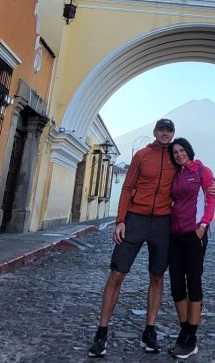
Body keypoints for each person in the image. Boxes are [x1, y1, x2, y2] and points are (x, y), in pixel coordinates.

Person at [88, 118, 178, 358]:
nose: (165, 134)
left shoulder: (176, 156)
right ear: (155, 131)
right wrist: (120, 220)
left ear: (173, 133)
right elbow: (127, 187)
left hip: (162, 223)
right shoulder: (142, 155)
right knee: (117, 274)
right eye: (161, 129)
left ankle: (150, 331)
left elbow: (194, 173)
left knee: (157, 276)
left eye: (169, 130)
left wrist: (210, 188)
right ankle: (101, 333)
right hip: (135, 219)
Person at [166, 137, 215, 359]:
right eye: (175, 152)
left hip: (194, 235)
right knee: (177, 285)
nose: (179, 154)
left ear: (188, 150)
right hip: (175, 236)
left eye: (182, 150)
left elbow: (210, 200)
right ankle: (184, 332)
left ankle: (191, 337)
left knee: (193, 283)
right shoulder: (176, 174)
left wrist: (203, 226)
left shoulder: (202, 171)